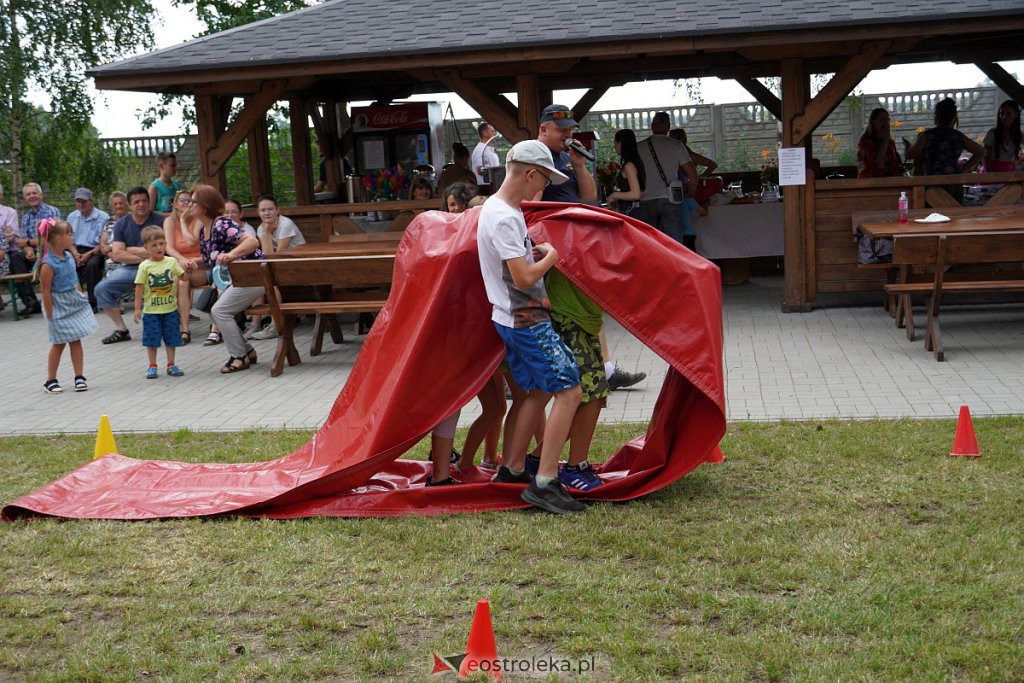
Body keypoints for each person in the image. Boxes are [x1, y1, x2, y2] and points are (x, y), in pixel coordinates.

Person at [477, 138, 585, 514]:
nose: (543, 189)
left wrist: (529, 252)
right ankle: (545, 481)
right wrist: (551, 257)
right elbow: (522, 279)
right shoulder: (506, 217)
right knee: (570, 392)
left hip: (509, 318)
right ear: (530, 173)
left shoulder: (494, 207)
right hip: (527, 320)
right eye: (543, 181)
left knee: (537, 391)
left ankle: (513, 468)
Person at [537, 105, 646, 392]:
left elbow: (588, 197)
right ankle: (531, 373)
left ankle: (605, 368)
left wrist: (580, 165)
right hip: (547, 243)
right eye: (561, 130)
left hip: (572, 243)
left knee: (587, 300)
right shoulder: (532, 156)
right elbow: (528, 200)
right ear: (543, 129)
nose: (567, 135)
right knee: (552, 308)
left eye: (570, 130)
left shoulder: (565, 156)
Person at [192, 184, 265, 374]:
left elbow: (252, 241)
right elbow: (212, 259)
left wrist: (231, 254)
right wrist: (194, 263)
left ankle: (239, 356)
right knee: (218, 311)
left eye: (193, 202)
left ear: (204, 206)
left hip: (254, 276)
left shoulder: (222, 223)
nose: (188, 205)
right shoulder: (204, 230)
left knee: (220, 311)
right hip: (239, 279)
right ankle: (247, 351)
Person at [95, 186, 165, 344]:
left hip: (158, 267)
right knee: (101, 288)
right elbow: (118, 254)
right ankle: (122, 330)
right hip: (132, 268)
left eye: (144, 201)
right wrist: (145, 256)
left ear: (149, 202)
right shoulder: (121, 224)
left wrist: (131, 249)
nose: (141, 204)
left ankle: (162, 325)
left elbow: (161, 250)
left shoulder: (160, 221)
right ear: (130, 205)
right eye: (137, 202)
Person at [35, 219, 98, 393]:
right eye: (69, 234)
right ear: (57, 239)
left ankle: (79, 377)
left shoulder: (69, 256)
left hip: (73, 301)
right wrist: (49, 313)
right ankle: (51, 380)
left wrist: (80, 296)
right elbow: (46, 291)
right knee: (59, 343)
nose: (72, 237)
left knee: (76, 340)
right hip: (57, 306)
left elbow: (74, 280)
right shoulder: (48, 264)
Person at [246, 195, 305, 340]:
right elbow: (267, 257)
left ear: (277, 210)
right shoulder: (261, 228)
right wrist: (265, 232)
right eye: (263, 210)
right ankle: (255, 324)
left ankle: (274, 324)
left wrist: (266, 233)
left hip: (298, 265)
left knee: (270, 282)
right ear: (258, 213)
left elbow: (274, 256)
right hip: (279, 265)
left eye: (270, 209)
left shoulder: (286, 224)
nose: (267, 213)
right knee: (260, 280)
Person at [906, 97, 985, 204]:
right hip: (954, 182)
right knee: (955, 214)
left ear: (936, 117)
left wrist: (908, 147)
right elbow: (981, 152)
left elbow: (910, 155)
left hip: (931, 184)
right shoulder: (958, 136)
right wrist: (965, 168)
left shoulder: (926, 136)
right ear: (954, 118)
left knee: (931, 215)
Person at [635, 112, 698, 240]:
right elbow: (693, 175)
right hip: (671, 199)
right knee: (673, 243)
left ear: (652, 126)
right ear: (668, 127)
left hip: (645, 199)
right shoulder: (677, 145)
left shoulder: (638, 147)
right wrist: (690, 194)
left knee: (650, 242)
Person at [134, 226, 186, 379]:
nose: (159, 248)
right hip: (151, 312)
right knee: (152, 340)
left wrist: (188, 269)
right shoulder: (145, 266)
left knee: (171, 339)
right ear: (146, 248)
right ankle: (152, 366)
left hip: (170, 310)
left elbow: (184, 278)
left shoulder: (171, 262)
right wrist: (137, 309)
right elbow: (139, 287)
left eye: (161, 244)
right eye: (154, 245)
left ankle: (171, 364)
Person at [12, 183, 62, 314]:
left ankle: (55, 301)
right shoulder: (26, 216)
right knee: (16, 258)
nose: (32, 196)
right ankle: (31, 303)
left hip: (51, 250)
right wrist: (27, 250)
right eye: (28, 194)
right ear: (25, 198)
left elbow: (51, 238)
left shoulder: (52, 211)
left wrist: (29, 242)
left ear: (41, 195)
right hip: (35, 251)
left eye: (34, 193)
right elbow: (22, 242)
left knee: (48, 257)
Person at [163, 189, 201, 344]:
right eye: (183, 200)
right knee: (182, 282)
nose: (187, 204)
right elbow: (169, 248)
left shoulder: (198, 219)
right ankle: (184, 329)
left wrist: (184, 221)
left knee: (181, 279)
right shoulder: (169, 221)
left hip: (199, 262)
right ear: (175, 204)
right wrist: (182, 260)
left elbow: (192, 242)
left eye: (190, 201)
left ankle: (178, 325)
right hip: (181, 263)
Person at [667, 129, 712, 251]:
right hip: (677, 192)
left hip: (688, 190)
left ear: (681, 140)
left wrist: (701, 177)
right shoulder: (671, 155)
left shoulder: (691, 156)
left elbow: (712, 164)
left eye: (672, 139)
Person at [67, 187, 110, 312]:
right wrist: (75, 254)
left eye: (84, 201)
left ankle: (93, 302)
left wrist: (88, 254)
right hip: (76, 250)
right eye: (78, 201)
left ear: (91, 201)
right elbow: (69, 240)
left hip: (95, 250)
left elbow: (104, 242)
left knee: (92, 265)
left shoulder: (102, 217)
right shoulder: (72, 216)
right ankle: (71, 302)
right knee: (65, 263)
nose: (80, 204)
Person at [605, 129, 646, 217]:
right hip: (636, 210)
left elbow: (635, 194)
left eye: (615, 143)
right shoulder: (637, 162)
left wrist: (615, 195)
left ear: (620, 143)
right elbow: (644, 190)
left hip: (630, 211)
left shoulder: (629, 166)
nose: (614, 146)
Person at [856, 108, 902, 179]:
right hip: (869, 184)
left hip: (889, 183)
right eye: (882, 119)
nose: (886, 122)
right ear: (873, 121)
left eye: (887, 119)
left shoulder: (890, 143)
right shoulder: (865, 143)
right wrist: (885, 140)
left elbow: (894, 164)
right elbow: (877, 163)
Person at [983, 100, 1022, 173]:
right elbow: (985, 157)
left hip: (1010, 172)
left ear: (1016, 115)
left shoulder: (1020, 135)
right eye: (1002, 113)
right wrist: (988, 174)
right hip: (992, 170)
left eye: (1008, 114)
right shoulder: (992, 133)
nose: (1004, 117)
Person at [98, 191, 130, 279]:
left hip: (128, 256)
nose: (118, 206)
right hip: (111, 257)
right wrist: (111, 254)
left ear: (127, 204)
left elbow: (132, 241)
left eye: (121, 203)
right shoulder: (108, 223)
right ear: (112, 207)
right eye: (115, 204)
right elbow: (103, 246)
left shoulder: (132, 220)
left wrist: (111, 247)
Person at [471, 121, 500, 190]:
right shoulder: (480, 149)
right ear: (485, 133)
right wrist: (499, 173)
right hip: (486, 188)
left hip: (494, 186)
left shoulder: (488, 149)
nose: (495, 133)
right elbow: (480, 170)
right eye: (492, 131)